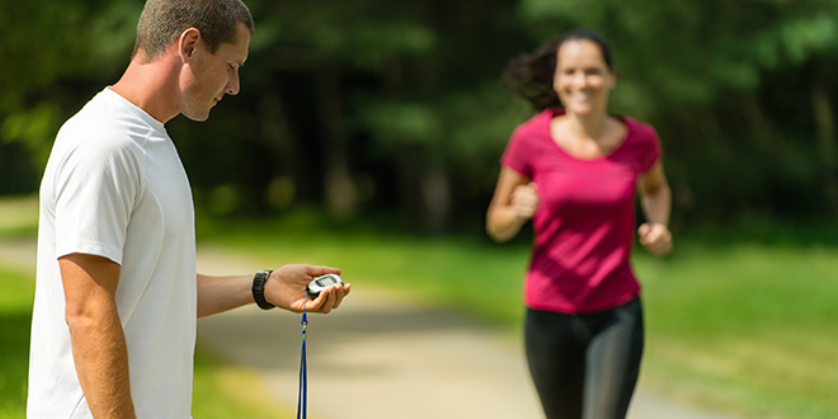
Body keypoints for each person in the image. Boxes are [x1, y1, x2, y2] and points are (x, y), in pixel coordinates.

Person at [27, 1, 351, 418]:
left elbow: (159, 287)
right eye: (232, 65)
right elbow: (88, 313)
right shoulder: (102, 145)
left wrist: (263, 285)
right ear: (191, 45)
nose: (234, 86)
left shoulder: (152, 142)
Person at [486, 29, 672, 419]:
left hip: (617, 310)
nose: (581, 82)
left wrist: (658, 225)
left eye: (592, 71)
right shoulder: (530, 138)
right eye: (570, 72)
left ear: (611, 77)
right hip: (548, 312)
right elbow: (495, 224)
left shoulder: (640, 139)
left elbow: (655, 189)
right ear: (556, 80)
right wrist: (517, 213)